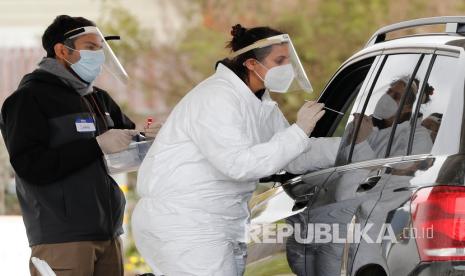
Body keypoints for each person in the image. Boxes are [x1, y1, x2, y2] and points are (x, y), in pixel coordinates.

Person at [132, 24, 340, 275]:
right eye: (280, 60)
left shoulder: (259, 101)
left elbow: (293, 155)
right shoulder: (218, 98)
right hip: (185, 222)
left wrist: (360, 146)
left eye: (288, 59)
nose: (288, 67)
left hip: (217, 223)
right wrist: (298, 130)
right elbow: (239, 165)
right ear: (252, 64)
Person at [0, 15, 157, 276]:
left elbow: (129, 140)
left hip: (107, 232)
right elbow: (31, 166)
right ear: (62, 51)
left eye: (101, 48)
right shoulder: (28, 99)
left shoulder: (98, 99)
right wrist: (96, 146)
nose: (99, 55)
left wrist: (148, 137)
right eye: (91, 47)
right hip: (61, 237)